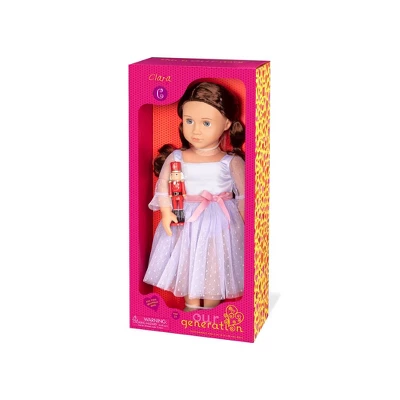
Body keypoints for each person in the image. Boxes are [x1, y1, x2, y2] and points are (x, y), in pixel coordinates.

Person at [143, 82, 245, 311]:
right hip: (185, 219)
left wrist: (244, 223)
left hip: (221, 221)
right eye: (189, 121)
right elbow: (163, 187)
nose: (196, 130)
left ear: (227, 123)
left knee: (215, 263)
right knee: (188, 261)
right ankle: (190, 306)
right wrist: (166, 212)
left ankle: (210, 308)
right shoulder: (177, 157)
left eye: (206, 123)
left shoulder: (231, 162)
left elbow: (244, 197)